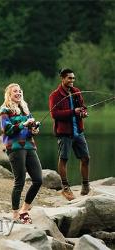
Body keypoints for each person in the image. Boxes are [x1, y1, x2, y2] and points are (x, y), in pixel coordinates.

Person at [0, 83, 42, 224]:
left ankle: (24, 209)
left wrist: (33, 130)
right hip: (15, 147)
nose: (18, 93)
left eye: (19, 91)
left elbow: (29, 130)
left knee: (38, 180)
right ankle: (15, 214)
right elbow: (7, 129)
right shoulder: (5, 109)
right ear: (9, 95)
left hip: (30, 146)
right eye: (15, 92)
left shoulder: (25, 109)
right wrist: (23, 125)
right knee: (20, 182)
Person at [49, 68, 90, 201]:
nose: (72, 80)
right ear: (63, 78)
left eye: (73, 78)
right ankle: (65, 187)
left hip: (78, 131)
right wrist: (73, 111)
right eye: (69, 78)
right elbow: (54, 114)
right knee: (64, 159)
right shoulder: (54, 95)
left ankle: (85, 184)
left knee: (86, 158)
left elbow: (82, 107)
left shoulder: (77, 91)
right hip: (64, 133)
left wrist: (83, 112)